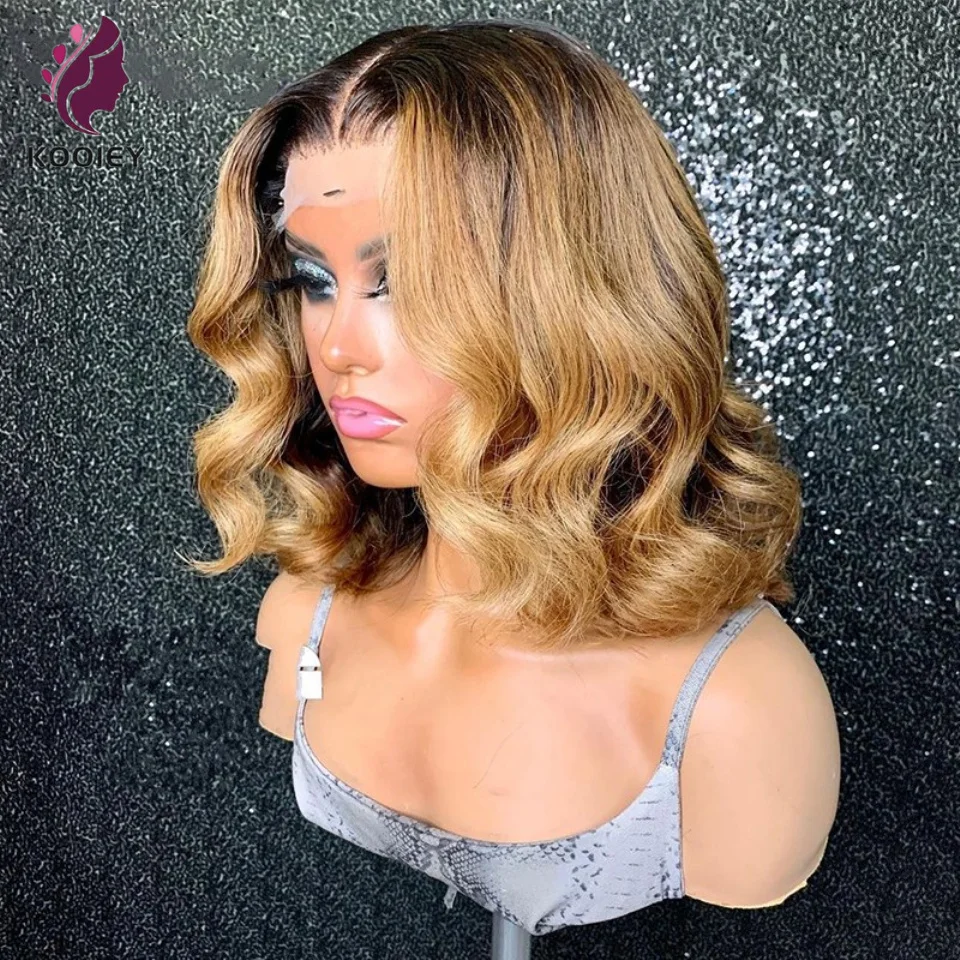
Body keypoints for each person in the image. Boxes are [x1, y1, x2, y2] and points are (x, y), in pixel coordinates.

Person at [184, 18, 840, 937]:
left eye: (400, 281)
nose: (336, 347)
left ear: (571, 292)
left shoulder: (733, 709)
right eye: (314, 281)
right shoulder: (307, 612)